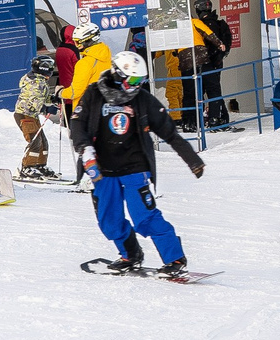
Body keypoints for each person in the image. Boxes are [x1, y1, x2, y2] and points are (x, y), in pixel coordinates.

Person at [73, 50, 206, 274]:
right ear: (117, 74)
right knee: (110, 222)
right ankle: (130, 255)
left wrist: (192, 159)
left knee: (145, 217)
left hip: (135, 167)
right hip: (102, 169)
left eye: (140, 81)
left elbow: (169, 131)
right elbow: (78, 125)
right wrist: (85, 152)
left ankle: (175, 258)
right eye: (132, 80)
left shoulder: (142, 100)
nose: (136, 85)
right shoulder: (93, 94)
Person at [15, 51, 65, 180]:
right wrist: (46, 107)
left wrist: (53, 100)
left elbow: (43, 97)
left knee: (43, 142)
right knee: (35, 141)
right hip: (24, 114)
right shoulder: (34, 83)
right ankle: (27, 167)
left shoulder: (40, 81)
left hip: (32, 115)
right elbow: (33, 101)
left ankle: (40, 165)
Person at [191, 0, 232, 128]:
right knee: (214, 89)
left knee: (203, 90)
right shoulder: (220, 24)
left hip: (205, 62)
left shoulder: (202, 25)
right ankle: (220, 117)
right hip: (217, 62)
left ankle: (208, 118)